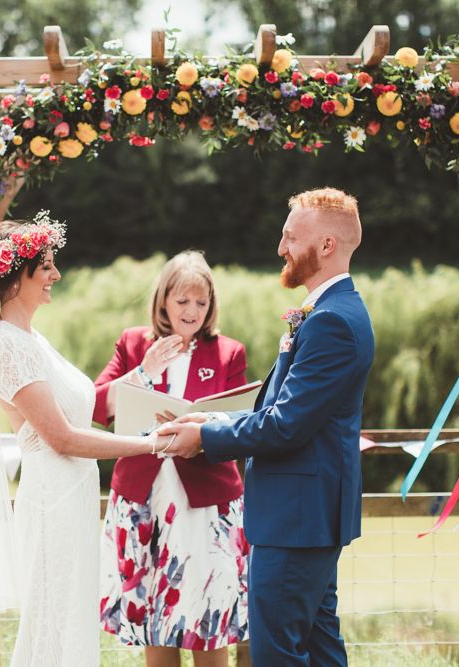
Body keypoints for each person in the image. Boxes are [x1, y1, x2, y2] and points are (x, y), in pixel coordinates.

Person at [0, 212, 187, 667]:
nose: (57, 274)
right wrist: (152, 443)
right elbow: (63, 438)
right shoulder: (8, 345)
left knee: (69, 621)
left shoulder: (31, 338)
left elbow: (83, 407)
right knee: (55, 624)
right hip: (51, 498)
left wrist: (144, 372)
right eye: (48, 265)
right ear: (17, 276)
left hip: (69, 496)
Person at [160, 187, 375, 666]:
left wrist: (206, 439)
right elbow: (285, 411)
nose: (280, 248)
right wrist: (214, 417)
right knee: (319, 648)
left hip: (295, 520)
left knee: (276, 655)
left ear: (325, 246)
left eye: (290, 237)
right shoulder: (332, 313)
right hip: (308, 516)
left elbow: (285, 427)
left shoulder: (331, 323)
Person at [93, 251, 249, 667]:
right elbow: (95, 407)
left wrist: (203, 427)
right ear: (164, 300)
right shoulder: (133, 344)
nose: (192, 311)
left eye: (201, 303)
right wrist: (141, 373)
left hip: (206, 502)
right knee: (153, 618)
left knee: (208, 615)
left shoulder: (229, 351)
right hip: (142, 499)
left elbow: (241, 421)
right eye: (183, 301)